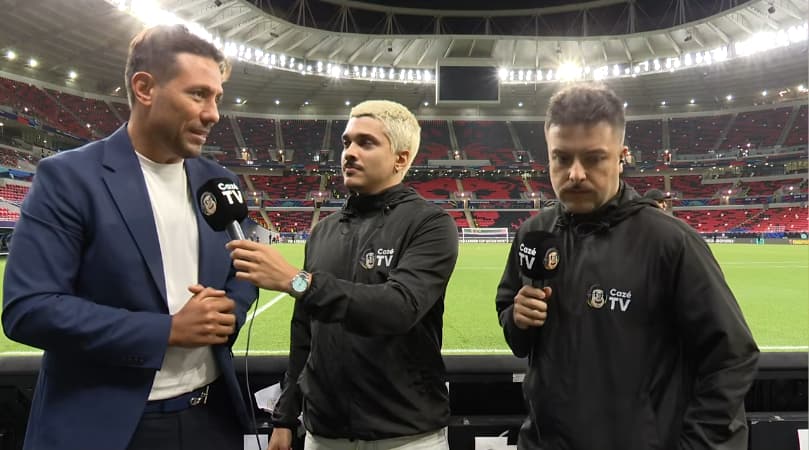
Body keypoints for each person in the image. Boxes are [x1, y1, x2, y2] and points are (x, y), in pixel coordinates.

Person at [2, 24, 258, 450]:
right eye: (198, 94)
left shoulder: (219, 181)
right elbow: (29, 309)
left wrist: (231, 307)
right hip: (109, 428)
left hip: (211, 421)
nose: (214, 113)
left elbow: (244, 266)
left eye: (216, 98)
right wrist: (167, 330)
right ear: (144, 88)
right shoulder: (69, 178)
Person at [495, 83, 759, 450]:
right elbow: (514, 329)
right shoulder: (534, 233)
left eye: (593, 158)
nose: (575, 174)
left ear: (622, 156)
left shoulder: (670, 242)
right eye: (561, 158)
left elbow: (731, 358)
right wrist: (517, 319)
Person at [227, 100, 459, 450]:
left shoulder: (430, 225)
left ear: (401, 158)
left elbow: (398, 308)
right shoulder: (324, 231)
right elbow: (304, 331)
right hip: (324, 435)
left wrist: (298, 281)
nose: (349, 153)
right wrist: (285, 416)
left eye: (366, 143)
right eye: (346, 142)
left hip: (407, 436)